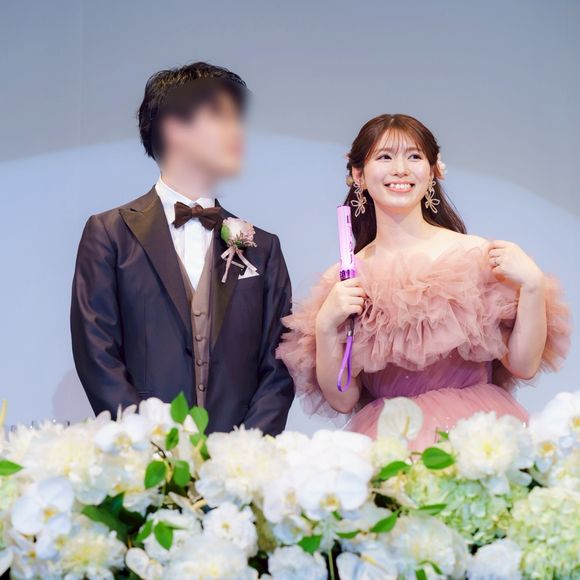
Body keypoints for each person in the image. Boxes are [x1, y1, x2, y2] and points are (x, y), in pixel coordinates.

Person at [276, 113, 571, 449]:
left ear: (433, 172)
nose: (400, 169)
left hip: (476, 435)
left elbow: (523, 365)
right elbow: (343, 400)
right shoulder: (345, 279)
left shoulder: (475, 255)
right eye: (384, 157)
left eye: (414, 156)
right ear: (358, 175)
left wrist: (532, 286)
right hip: (392, 441)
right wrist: (326, 325)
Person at [71, 61, 294, 435]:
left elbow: (280, 362)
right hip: (144, 454)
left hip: (238, 456)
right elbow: (96, 351)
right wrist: (146, 442)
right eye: (220, 117)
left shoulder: (263, 247)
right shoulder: (110, 233)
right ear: (173, 127)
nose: (236, 131)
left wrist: (246, 449)